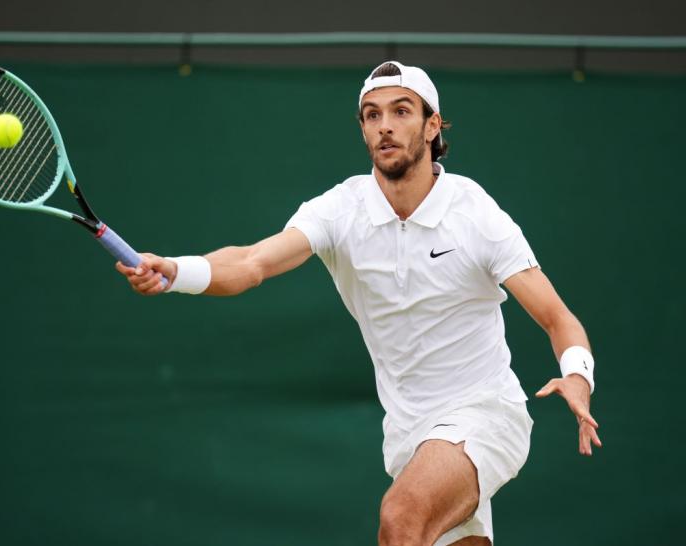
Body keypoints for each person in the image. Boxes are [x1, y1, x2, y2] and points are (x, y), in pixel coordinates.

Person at [116, 61, 602, 546]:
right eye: (371, 115)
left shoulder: (477, 215)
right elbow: (251, 262)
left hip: (486, 413)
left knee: (401, 516)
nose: (384, 125)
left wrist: (578, 376)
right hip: (408, 435)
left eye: (401, 111)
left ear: (433, 125)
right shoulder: (340, 211)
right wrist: (178, 271)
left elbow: (557, 317)